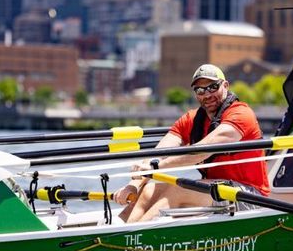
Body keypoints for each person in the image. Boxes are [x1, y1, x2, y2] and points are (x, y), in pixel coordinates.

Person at [113, 64, 269, 222]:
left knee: (177, 190)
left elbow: (201, 151)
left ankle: (136, 238)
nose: (207, 94)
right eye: (200, 90)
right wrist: (133, 185)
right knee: (147, 190)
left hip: (250, 196)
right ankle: (118, 237)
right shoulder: (192, 119)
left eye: (213, 87)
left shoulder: (241, 113)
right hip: (216, 189)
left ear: (226, 85)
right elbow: (158, 154)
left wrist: (155, 168)